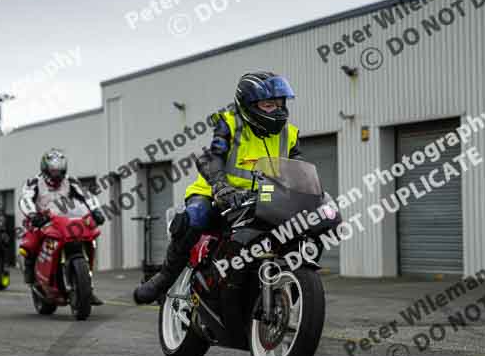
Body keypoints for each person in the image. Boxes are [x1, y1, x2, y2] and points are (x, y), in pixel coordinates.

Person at [134, 71, 303, 304]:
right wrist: (221, 186)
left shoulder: (289, 134)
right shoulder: (230, 123)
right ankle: (164, 278)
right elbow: (212, 158)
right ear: (249, 105)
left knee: (303, 225)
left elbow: (298, 169)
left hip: (263, 196)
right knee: (195, 217)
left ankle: (289, 279)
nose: (279, 110)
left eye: (280, 103)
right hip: (215, 192)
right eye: (269, 104)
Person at [19, 148, 106, 305]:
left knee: (88, 238)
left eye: (59, 171)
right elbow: (25, 199)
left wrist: (96, 210)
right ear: (45, 169)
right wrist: (32, 215)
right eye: (53, 171)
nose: (56, 175)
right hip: (42, 221)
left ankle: (88, 289)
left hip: (67, 220)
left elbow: (87, 195)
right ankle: (32, 277)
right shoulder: (34, 182)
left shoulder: (71, 181)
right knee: (29, 245)